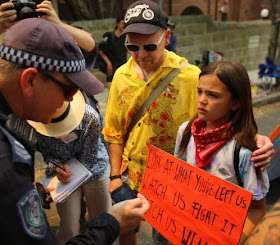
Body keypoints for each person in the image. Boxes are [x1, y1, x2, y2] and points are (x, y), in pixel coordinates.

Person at [102, 1, 274, 244]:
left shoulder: (191, 76)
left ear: (167, 37)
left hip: (174, 185)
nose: (141, 55)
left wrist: (255, 140)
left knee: (166, 235)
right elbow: (114, 132)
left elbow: (225, 110)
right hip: (130, 175)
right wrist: (114, 177)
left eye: (150, 46)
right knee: (128, 230)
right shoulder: (121, 76)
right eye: (132, 46)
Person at [0, 17, 150, 245]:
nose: (73, 98)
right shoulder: (7, 163)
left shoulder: (21, 118)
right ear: (30, 80)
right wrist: (112, 222)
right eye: (68, 89)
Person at [174, 60, 269, 244]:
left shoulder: (244, 152)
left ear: (235, 103)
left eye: (213, 95)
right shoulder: (186, 132)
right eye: (199, 91)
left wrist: (233, 241)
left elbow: (257, 208)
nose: (202, 100)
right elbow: (179, 179)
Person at [28, 90, 112, 245]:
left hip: (95, 169)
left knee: (100, 221)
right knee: (69, 228)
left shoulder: (89, 117)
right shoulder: (40, 122)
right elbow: (47, 155)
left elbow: (90, 157)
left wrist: (65, 172)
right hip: (65, 175)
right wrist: (57, 168)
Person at [98, 15, 127, 89]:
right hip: (112, 68)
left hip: (123, 67)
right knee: (112, 92)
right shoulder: (109, 36)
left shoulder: (126, 37)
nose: (124, 26)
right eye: (122, 23)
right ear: (117, 24)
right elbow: (100, 50)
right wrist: (108, 63)